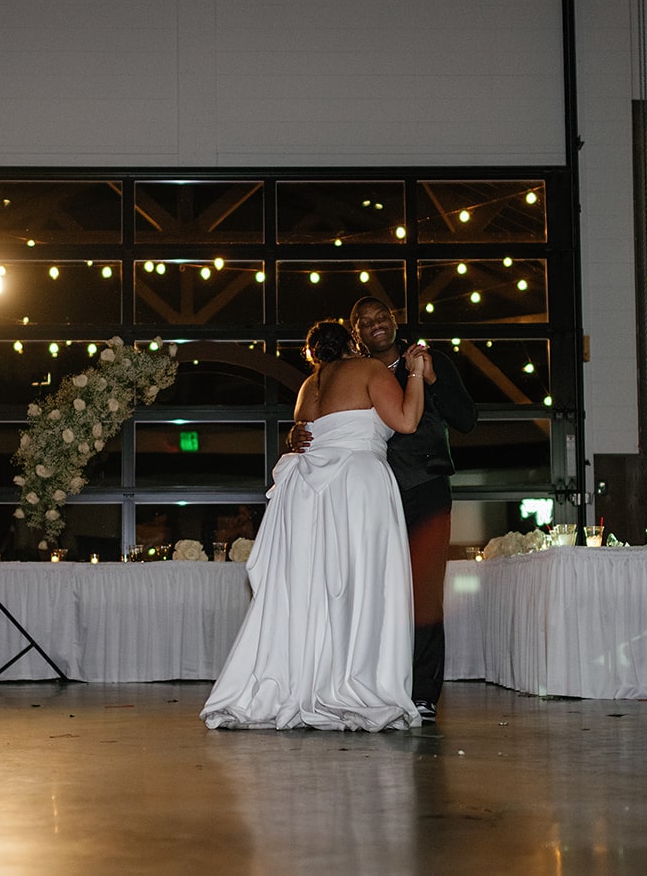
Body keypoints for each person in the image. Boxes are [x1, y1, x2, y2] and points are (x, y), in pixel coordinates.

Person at [201, 319, 428, 731]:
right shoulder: (369, 370)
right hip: (355, 486)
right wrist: (413, 373)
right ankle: (353, 684)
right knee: (360, 587)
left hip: (305, 492)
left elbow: (307, 433)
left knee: (310, 593)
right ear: (351, 344)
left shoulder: (309, 387)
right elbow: (407, 420)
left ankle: (300, 682)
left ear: (313, 355)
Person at [298, 297, 476, 723]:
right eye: (365, 321)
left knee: (424, 591)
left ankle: (422, 692)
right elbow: (323, 419)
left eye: (382, 317)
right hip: (369, 498)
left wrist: (431, 379)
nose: (376, 325)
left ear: (395, 321)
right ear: (354, 332)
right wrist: (299, 434)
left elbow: (466, 419)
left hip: (425, 490)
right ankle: (373, 683)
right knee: (371, 592)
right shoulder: (351, 373)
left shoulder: (428, 361)